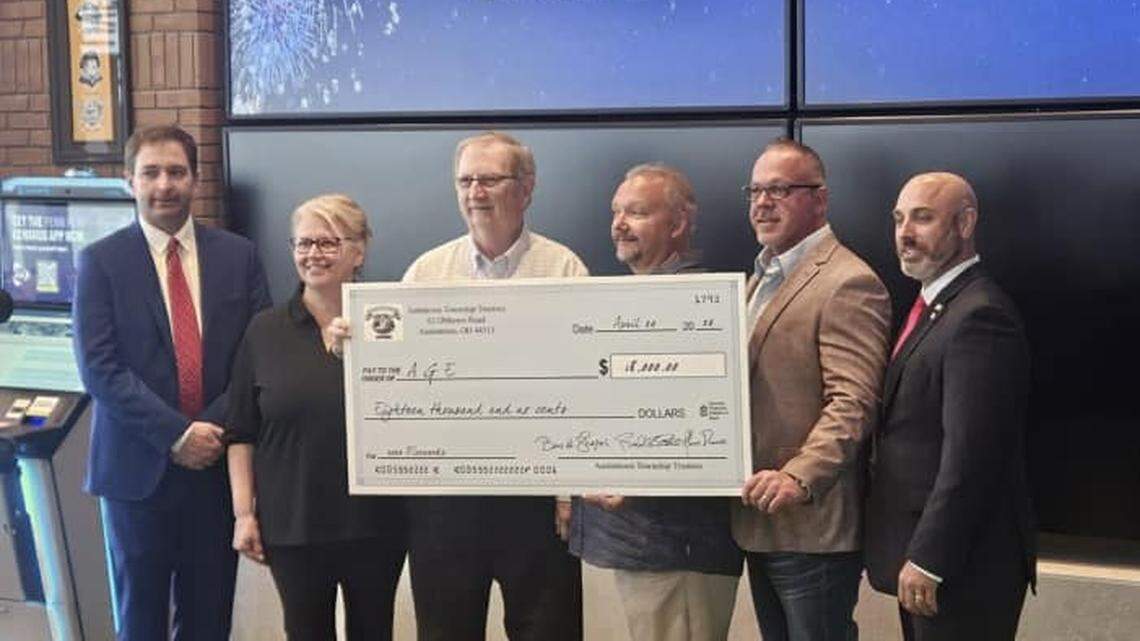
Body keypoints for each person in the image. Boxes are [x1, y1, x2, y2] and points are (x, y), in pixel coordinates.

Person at [73, 125, 271, 640]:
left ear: (196, 179)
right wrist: (177, 434)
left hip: (216, 468)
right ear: (129, 181)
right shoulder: (100, 262)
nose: (165, 184)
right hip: (136, 473)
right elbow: (100, 367)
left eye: (177, 172)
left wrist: (209, 428)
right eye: (151, 173)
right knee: (140, 618)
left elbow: (256, 356)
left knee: (209, 617)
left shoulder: (239, 256)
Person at [402, 131, 587, 640]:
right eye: (465, 181)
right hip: (447, 497)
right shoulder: (425, 273)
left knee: (549, 631)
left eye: (490, 179)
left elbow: (582, 391)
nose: (475, 192)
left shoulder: (564, 269)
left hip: (537, 498)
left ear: (526, 188)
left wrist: (568, 489)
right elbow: (401, 385)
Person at [568, 163, 743, 641]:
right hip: (634, 542)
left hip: (673, 546)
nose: (619, 224)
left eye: (637, 212)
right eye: (616, 212)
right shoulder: (633, 301)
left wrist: (633, 471)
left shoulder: (699, 309)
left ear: (679, 223)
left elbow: (699, 422)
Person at [225, 194, 406, 641]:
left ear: (359, 251)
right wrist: (244, 514)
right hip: (293, 525)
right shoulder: (264, 331)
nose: (313, 254)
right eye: (303, 243)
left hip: (377, 523)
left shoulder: (392, 325)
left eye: (328, 242)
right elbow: (241, 432)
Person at [864, 172, 1035, 641]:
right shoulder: (937, 306)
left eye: (922, 218)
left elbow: (973, 455)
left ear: (965, 223)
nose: (905, 233)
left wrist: (929, 559)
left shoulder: (981, 316)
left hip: (961, 567)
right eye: (898, 219)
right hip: (928, 562)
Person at [731, 139, 891, 641]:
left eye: (779, 190)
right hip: (762, 520)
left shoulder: (848, 282)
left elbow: (854, 402)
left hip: (811, 523)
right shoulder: (761, 277)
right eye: (755, 191)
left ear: (819, 200)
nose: (762, 203)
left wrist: (799, 477)